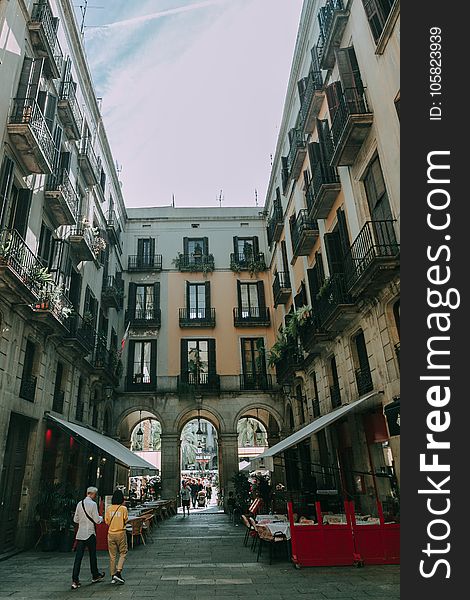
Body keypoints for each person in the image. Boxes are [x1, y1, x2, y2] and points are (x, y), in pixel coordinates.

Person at [71, 486, 105, 590]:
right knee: (92, 555)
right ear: (93, 494)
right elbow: (96, 520)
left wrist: (82, 520)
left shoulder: (79, 503)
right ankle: (95, 575)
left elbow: (75, 519)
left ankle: (75, 580)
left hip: (81, 534)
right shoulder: (93, 504)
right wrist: (102, 518)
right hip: (90, 533)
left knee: (78, 558)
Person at [104, 489, 128, 585]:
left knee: (112, 555)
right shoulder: (123, 509)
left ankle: (112, 576)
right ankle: (118, 572)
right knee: (123, 552)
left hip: (111, 533)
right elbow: (125, 520)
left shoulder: (109, 508)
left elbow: (106, 521)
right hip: (121, 533)